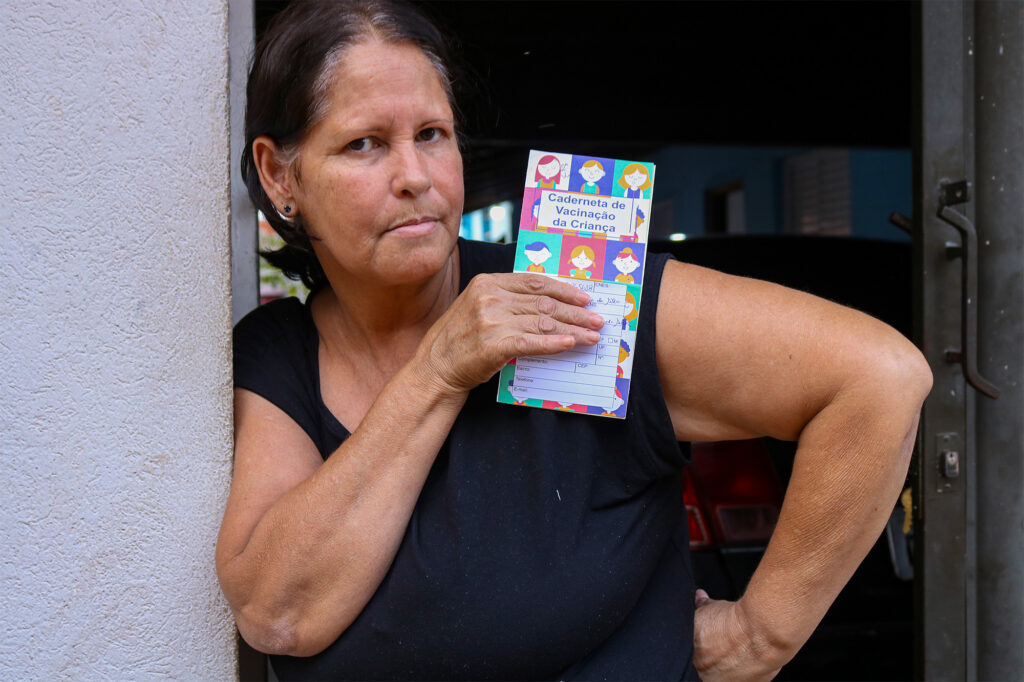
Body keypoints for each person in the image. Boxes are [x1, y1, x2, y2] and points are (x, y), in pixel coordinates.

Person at [215, 2, 933, 680]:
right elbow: (278, 614)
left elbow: (880, 378)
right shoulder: (278, 353)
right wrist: (436, 372)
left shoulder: (578, 293)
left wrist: (759, 638)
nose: (415, 177)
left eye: (432, 135)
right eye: (365, 144)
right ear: (282, 176)